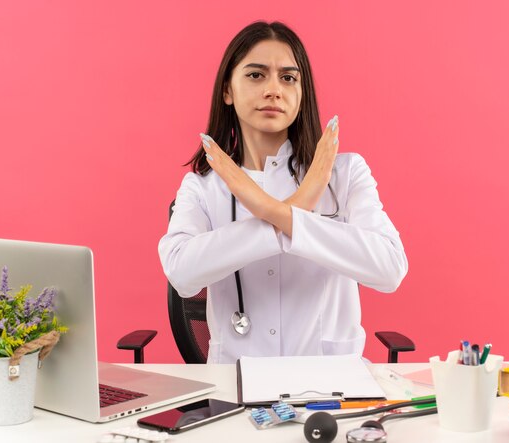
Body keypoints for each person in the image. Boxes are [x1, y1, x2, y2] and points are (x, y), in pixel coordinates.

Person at [158, 21, 407, 364]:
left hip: (331, 385)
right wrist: (295, 210)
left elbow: (390, 268)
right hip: (236, 387)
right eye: (256, 75)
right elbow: (182, 274)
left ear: (301, 93)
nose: (274, 89)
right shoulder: (204, 186)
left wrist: (269, 209)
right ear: (227, 90)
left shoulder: (343, 173)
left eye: (288, 78)